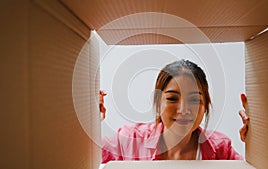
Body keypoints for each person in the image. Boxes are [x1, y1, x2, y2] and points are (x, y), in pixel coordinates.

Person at [99, 60, 250, 163]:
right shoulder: (128, 140)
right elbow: (80, 158)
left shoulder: (221, 149)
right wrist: (91, 119)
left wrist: (257, 141)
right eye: (172, 98)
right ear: (158, 103)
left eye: (194, 100)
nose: (183, 110)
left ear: (205, 105)